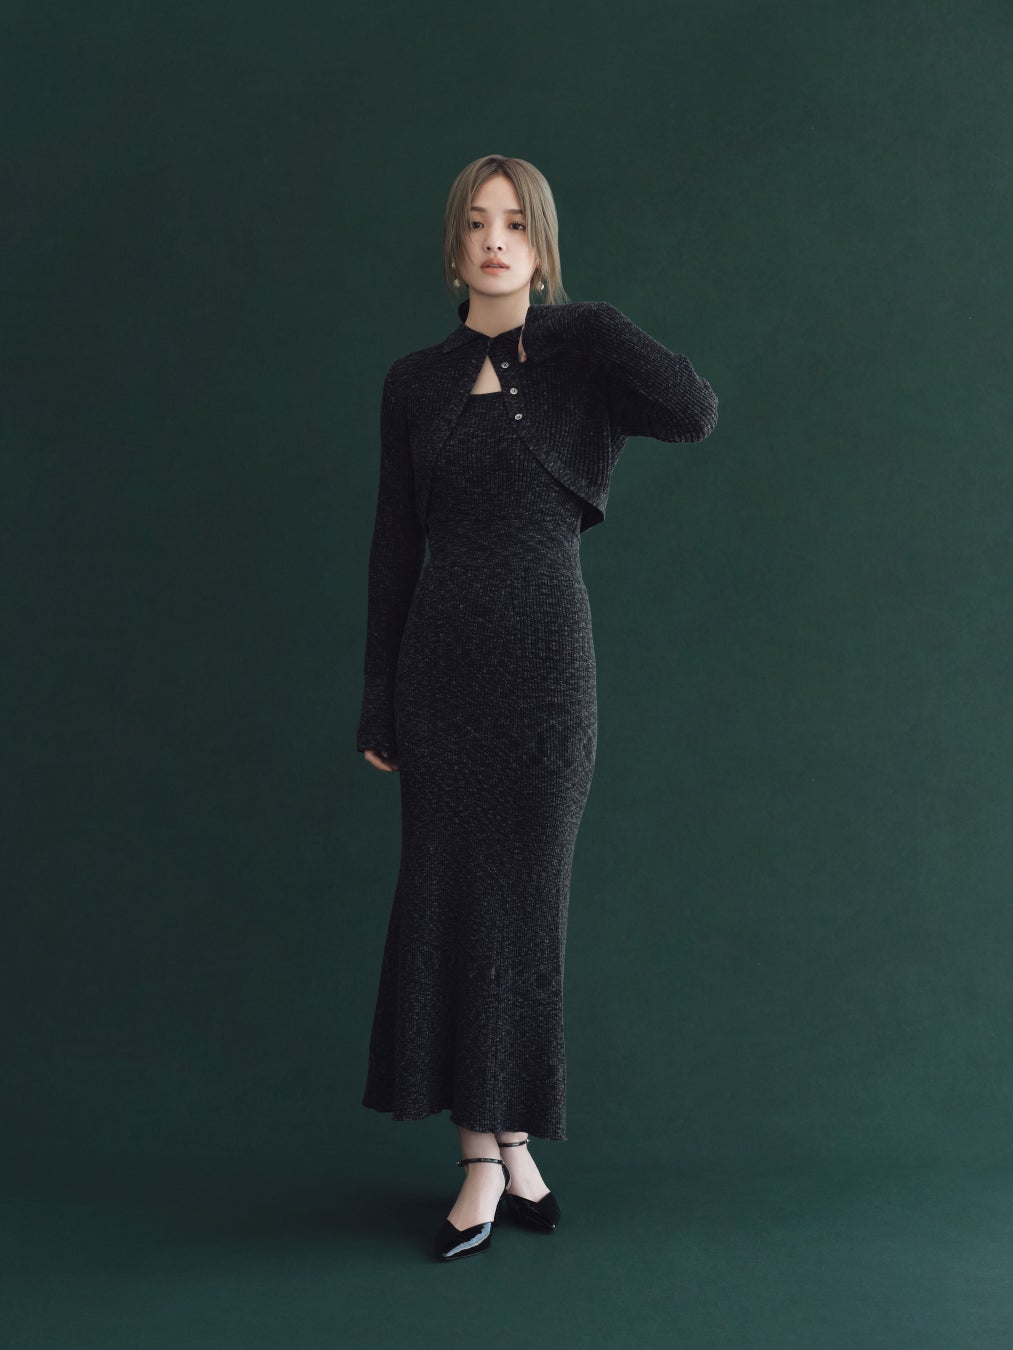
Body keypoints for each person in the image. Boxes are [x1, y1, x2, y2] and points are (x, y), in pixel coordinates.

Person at [356, 154, 719, 1262]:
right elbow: (392, 548)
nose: (494, 240)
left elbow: (693, 412)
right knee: (446, 900)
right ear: (453, 245)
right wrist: (378, 699)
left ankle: (508, 1137)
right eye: (476, 223)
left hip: (548, 674)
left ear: (541, 244)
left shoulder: (580, 365)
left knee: (525, 908)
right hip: (440, 674)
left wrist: (590, 320)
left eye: (516, 224)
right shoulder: (412, 383)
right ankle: (486, 1154)